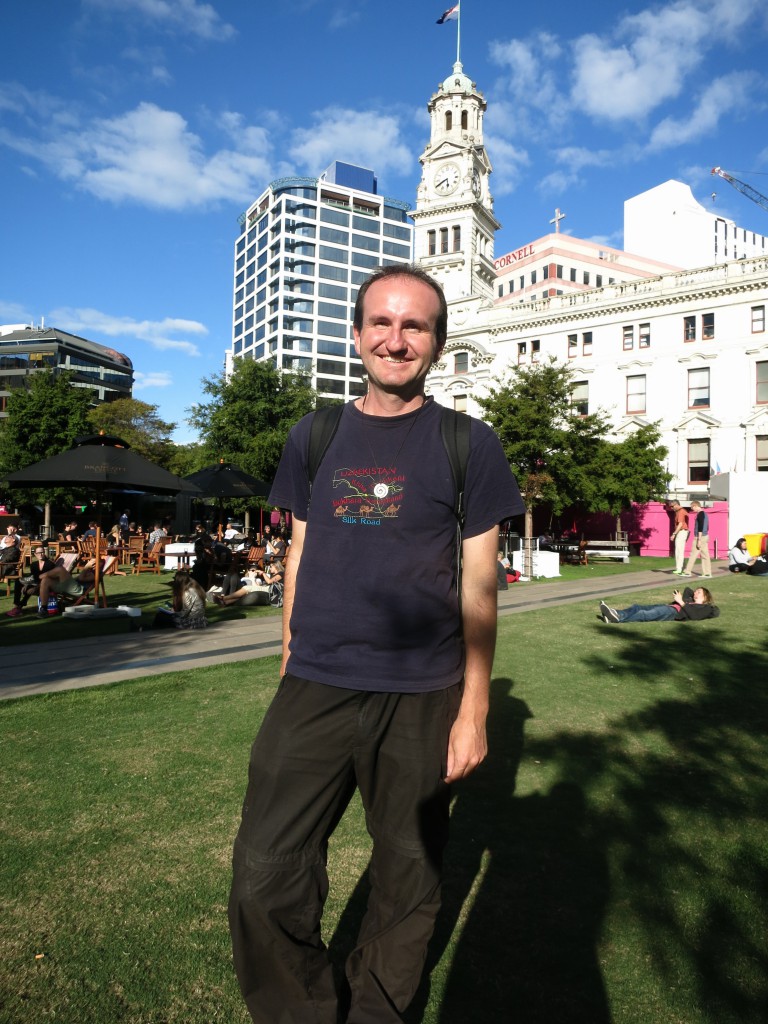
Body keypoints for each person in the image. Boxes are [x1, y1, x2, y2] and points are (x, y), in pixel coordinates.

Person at [227, 265, 524, 1024]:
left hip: (424, 695)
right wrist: (289, 649)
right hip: (315, 686)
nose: (397, 340)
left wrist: (474, 711)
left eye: (415, 326)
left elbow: (481, 585)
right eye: (382, 324)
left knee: (409, 882)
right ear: (358, 335)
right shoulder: (315, 434)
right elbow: (298, 551)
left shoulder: (469, 444)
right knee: (264, 875)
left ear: (436, 341)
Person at [599, 586, 719, 623]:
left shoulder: (705, 608)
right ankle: (615, 614)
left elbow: (694, 616)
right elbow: (688, 590)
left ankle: (619, 619)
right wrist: (686, 598)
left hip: (673, 613)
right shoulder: (690, 599)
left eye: (699, 592)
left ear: (705, 597)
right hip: (669, 607)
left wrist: (681, 602)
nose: (696, 592)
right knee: (637, 607)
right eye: (696, 591)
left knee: (646, 614)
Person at [37, 557, 105, 616]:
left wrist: (86, 567)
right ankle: (44, 609)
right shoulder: (91, 570)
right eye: (91, 561)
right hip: (70, 587)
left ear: (100, 564)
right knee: (45, 580)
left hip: (78, 590)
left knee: (60, 569)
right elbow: (78, 578)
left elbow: (81, 578)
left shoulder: (97, 573)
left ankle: (37, 578)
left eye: (94, 561)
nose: (91, 562)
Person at [5, 544, 56, 617]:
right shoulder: (34, 565)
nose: (40, 554)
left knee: (30, 589)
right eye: (38, 553)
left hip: (46, 585)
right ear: (35, 554)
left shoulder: (50, 564)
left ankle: (18, 608)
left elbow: (50, 577)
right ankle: (17, 605)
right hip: (36, 583)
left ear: (44, 553)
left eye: (42, 552)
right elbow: (34, 577)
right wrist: (28, 583)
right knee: (18, 582)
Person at [214, 563, 282, 606]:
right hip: (239, 588)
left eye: (271, 567)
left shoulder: (281, 573)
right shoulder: (244, 577)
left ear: (276, 566)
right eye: (251, 570)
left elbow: (269, 582)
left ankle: (223, 599)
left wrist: (260, 575)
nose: (270, 568)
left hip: (253, 589)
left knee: (244, 586)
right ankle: (224, 599)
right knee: (230, 576)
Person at [682, 500, 711, 577]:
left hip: (700, 537)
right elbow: (707, 526)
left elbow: (700, 528)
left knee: (693, 554)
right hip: (705, 536)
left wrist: (699, 539)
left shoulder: (700, 514)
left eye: (692, 507)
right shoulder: (705, 514)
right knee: (705, 555)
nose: (692, 509)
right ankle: (707, 573)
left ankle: (687, 571)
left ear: (695, 506)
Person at [670, 500, 689, 575]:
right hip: (682, 532)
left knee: (679, 551)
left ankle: (679, 569)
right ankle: (682, 568)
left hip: (681, 532)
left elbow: (680, 524)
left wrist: (674, 534)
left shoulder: (681, 512)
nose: (671, 508)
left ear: (676, 504)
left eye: (672, 506)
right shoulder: (681, 511)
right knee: (679, 550)